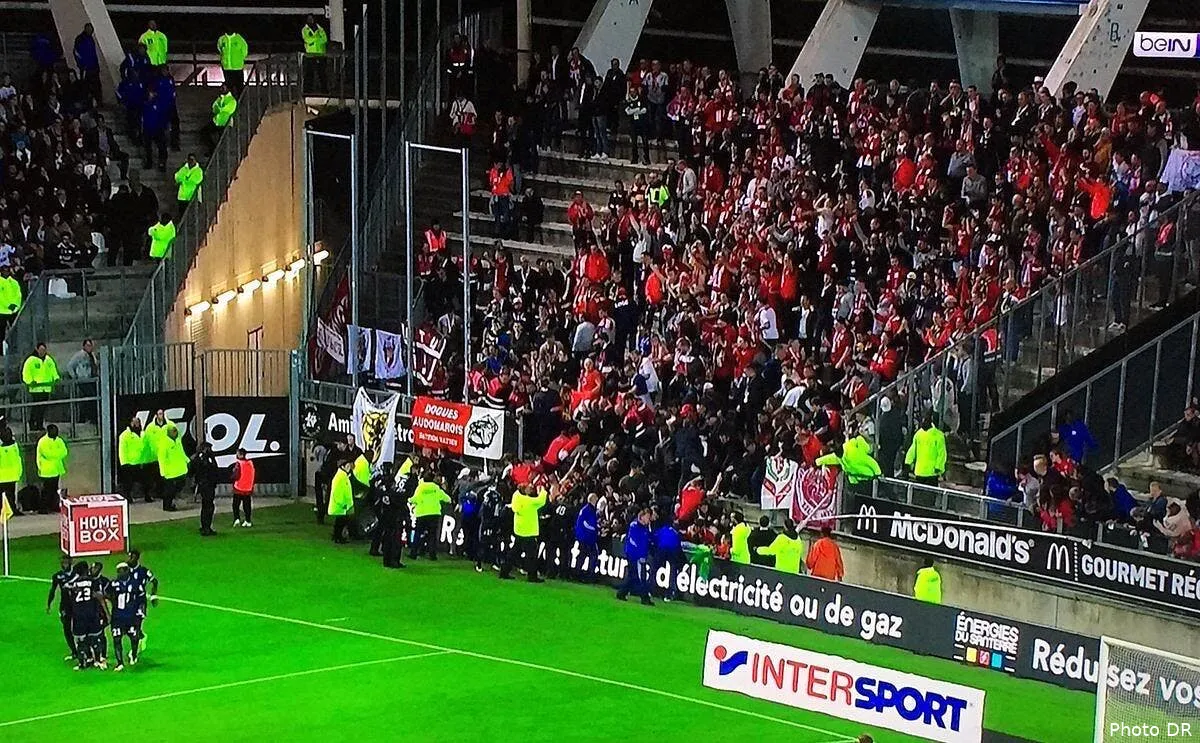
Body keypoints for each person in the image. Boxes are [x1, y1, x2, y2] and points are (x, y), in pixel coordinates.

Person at [499, 482, 549, 582]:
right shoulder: (528, 501)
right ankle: (532, 576)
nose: (531, 489)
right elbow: (541, 501)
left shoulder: (516, 496)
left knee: (514, 553)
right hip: (528, 531)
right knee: (531, 556)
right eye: (529, 488)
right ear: (524, 490)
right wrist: (543, 491)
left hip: (519, 530)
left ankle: (504, 571)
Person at [67, 561, 108, 669]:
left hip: (78, 615)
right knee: (95, 639)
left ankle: (82, 664)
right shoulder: (92, 582)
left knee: (81, 641)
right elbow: (99, 596)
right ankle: (98, 661)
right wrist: (106, 613)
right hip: (91, 614)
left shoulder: (72, 584)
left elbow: (70, 598)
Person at [105, 563, 142, 669]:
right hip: (117, 617)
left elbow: (141, 597)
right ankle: (120, 663)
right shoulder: (113, 584)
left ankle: (133, 655)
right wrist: (113, 601)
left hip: (131, 616)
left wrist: (140, 611)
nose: (119, 573)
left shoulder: (135, 583)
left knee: (134, 637)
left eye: (122, 571)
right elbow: (106, 594)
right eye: (118, 571)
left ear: (127, 571)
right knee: (117, 639)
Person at [409, 470, 450, 560]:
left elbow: (415, 499)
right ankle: (432, 555)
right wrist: (449, 499)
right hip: (434, 514)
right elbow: (446, 498)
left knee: (418, 534)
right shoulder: (436, 488)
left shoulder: (420, 488)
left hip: (422, 513)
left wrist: (409, 500)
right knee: (432, 536)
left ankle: (413, 553)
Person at [616, 508, 653, 605]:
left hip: (639, 555)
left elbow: (647, 541)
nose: (648, 519)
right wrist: (640, 555)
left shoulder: (645, 528)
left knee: (633, 576)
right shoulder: (634, 526)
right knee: (641, 576)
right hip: (635, 556)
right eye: (647, 517)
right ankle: (645, 598)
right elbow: (634, 542)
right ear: (642, 516)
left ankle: (622, 593)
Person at [126, 548, 158, 654]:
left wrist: (153, 595)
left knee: (137, 624)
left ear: (137, 558)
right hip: (128, 601)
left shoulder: (143, 571)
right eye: (129, 557)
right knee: (129, 626)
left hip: (140, 601)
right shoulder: (125, 570)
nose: (129, 559)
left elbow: (154, 581)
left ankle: (134, 651)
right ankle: (142, 636)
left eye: (132, 557)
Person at [23, 342, 60, 432]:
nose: (42, 352)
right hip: (36, 389)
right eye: (41, 350)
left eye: (44, 350)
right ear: (37, 349)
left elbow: (53, 371)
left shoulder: (48, 360)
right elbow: (26, 372)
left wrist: (56, 378)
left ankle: (39, 424)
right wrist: (30, 381)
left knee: (43, 408)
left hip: (46, 388)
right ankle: (32, 424)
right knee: (36, 407)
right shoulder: (31, 360)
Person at [47, 555, 77, 660]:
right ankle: (74, 651)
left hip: (77, 605)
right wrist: (49, 603)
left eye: (66, 562)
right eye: (62, 562)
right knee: (67, 629)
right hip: (65, 605)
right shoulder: (57, 576)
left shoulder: (77, 573)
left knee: (79, 628)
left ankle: (85, 650)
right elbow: (53, 590)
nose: (64, 564)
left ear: (71, 562)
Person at [143, 410, 176, 503]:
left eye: (163, 414)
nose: (162, 416)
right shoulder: (150, 427)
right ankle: (152, 493)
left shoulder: (170, 425)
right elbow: (146, 441)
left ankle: (163, 494)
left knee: (165, 477)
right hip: (154, 457)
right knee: (153, 477)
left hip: (166, 456)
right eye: (160, 414)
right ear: (156, 415)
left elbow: (176, 438)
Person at [905, 415, 947, 486]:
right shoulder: (918, 434)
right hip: (921, 471)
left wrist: (938, 467)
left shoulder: (938, 435)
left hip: (931, 472)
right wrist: (908, 462)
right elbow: (912, 449)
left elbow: (942, 453)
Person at [36, 425, 68, 514]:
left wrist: (55, 454)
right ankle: (43, 508)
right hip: (46, 470)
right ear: (49, 431)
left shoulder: (59, 440)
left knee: (55, 489)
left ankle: (53, 506)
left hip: (56, 469)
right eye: (54, 431)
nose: (56, 433)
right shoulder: (43, 441)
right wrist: (57, 454)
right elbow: (48, 455)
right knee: (46, 490)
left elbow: (64, 452)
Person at [65, 339, 98, 424]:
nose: (90, 348)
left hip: (92, 379)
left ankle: (89, 417)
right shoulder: (79, 355)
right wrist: (75, 377)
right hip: (83, 380)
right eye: (88, 346)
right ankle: (87, 418)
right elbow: (70, 366)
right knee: (90, 397)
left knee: (90, 399)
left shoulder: (92, 355)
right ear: (84, 346)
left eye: (91, 346)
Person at [156, 426, 188, 511]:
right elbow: (161, 458)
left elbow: (181, 452)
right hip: (169, 471)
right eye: (173, 431)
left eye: (175, 431)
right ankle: (167, 505)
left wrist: (187, 460)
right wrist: (163, 472)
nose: (175, 433)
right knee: (169, 490)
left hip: (180, 469)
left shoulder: (178, 440)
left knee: (179, 485)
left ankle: (171, 502)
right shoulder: (164, 443)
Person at [117, 417, 149, 502]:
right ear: (131, 423)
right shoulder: (124, 435)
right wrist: (124, 462)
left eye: (138, 422)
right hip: (130, 463)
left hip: (142, 462)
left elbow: (147, 447)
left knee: (146, 481)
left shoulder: (143, 434)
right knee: (128, 483)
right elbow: (122, 450)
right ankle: (128, 498)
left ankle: (147, 496)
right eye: (134, 422)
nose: (136, 424)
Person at [651, 517, 682, 601]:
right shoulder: (675, 533)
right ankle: (669, 593)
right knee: (672, 571)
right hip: (672, 552)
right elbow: (678, 546)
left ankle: (652, 589)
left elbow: (654, 539)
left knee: (654, 569)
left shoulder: (663, 530)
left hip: (662, 550)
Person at [201, 83, 237, 155]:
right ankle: (213, 149)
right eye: (221, 88)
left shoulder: (232, 100)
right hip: (217, 120)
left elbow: (226, 110)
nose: (221, 89)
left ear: (228, 89)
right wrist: (219, 108)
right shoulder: (220, 98)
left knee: (222, 140)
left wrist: (219, 108)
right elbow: (214, 108)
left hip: (225, 122)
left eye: (223, 88)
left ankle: (219, 153)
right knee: (204, 132)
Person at [192, 442, 219, 536]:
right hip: (207, 485)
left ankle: (205, 526)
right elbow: (212, 469)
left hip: (205, 484)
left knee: (206, 506)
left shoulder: (199, 458)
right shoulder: (204, 459)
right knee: (208, 506)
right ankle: (206, 527)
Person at [574, 492, 600, 581]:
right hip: (587, 537)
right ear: (593, 500)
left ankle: (577, 573)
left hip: (583, 536)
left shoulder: (585, 509)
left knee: (582, 555)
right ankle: (589, 575)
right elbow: (589, 524)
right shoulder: (589, 510)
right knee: (593, 555)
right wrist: (596, 529)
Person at [73, 23, 101, 103]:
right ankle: (86, 102)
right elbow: (76, 52)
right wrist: (82, 65)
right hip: (86, 68)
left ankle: (98, 102)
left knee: (96, 86)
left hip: (94, 67)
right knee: (85, 86)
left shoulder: (90, 39)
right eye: (89, 29)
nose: (90, 31)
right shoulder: (80, 39)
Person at [329, 459, 355, 543]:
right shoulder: (340, 477)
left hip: (342, 505)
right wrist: (343, 504)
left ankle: (337, 536)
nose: (349, 467)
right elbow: (338, 493)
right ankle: (338, 537)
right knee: (340, 522)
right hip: (341, 506)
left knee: (340, 522)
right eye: (348, 466)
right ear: (343, 466)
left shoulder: (343, 476)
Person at [217, 28, 249, 95]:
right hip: (226, 67)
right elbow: (220, 49)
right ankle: (231, 99)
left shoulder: (239, 39)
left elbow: (245, 50)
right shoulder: (222, 39)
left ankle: (240, 99)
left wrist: (239, 59)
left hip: (237, 67)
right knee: (229, 86)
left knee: (239, 86)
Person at [231, 447, 255, 527]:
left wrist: (232, 476)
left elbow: (235, 475)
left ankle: (237, 519)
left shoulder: (239, 463)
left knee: (236, 504)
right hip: (248, 488)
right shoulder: (250, 463)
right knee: (247, 505)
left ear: (240, 455)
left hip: (239, 487)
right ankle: (248, 521)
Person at [0, 428, 21, 516]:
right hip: (2, 476)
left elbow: (17, 458)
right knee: (3, 495)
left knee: (11, 495)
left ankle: (12, 509)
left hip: (12, 475)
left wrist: (19, 471)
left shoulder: (14, 445)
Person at [175, 154, 204, 218]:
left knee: (192, 217)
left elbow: (195, 181)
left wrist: (183, 180)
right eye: (190, 159)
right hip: (182, 197)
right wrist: (185, 180)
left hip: (193, 197)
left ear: (195, 160)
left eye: (192, 159)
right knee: (182, 216)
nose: (191, 161)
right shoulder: (183, 169)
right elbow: (177, 177)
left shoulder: (199, 170)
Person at [0, 265, 22, 342]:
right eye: (4, 271)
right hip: (2, 311)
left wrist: (16, 305)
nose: (6, 272)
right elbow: (1, 297)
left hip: (13, 311)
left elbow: (18, 295)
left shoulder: (14, 282)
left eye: (7, 271)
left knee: (15, 332)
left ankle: (14, 345)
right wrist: (8, 305)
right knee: (1, 333)